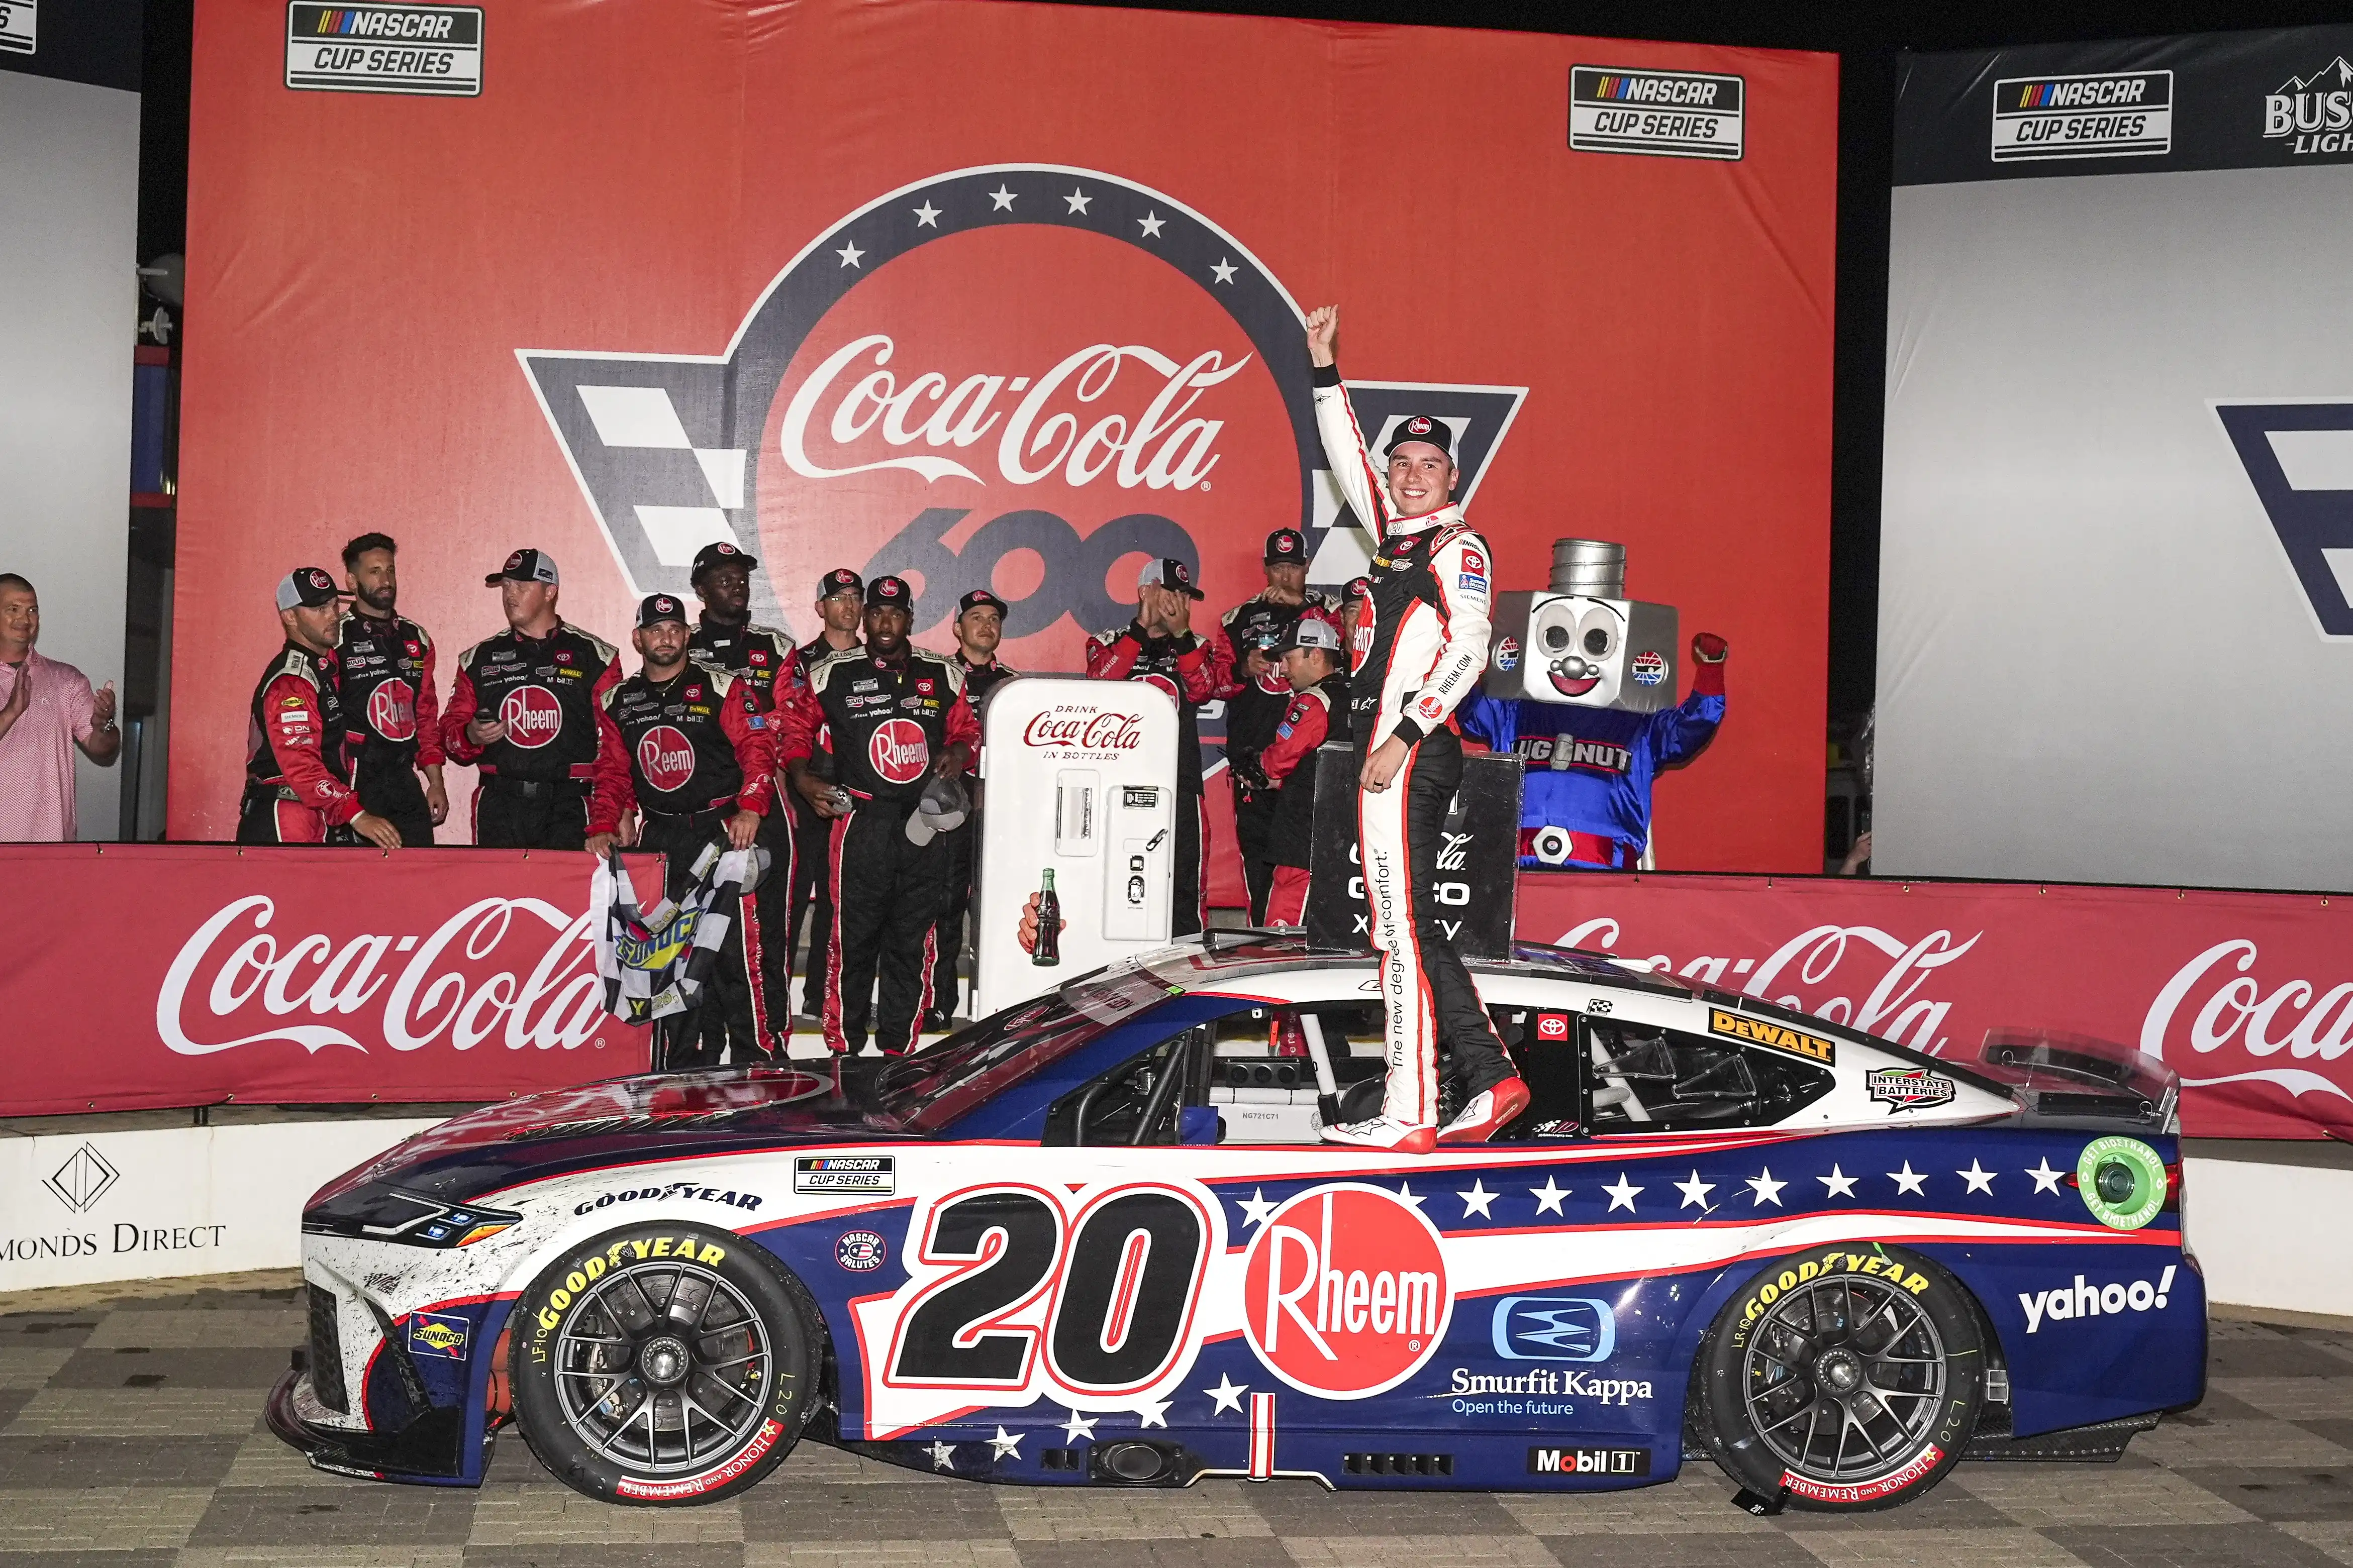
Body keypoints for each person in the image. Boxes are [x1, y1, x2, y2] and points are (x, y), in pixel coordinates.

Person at [1307, 303, 1526, 1152]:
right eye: (1400, 463)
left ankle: (1410, 1112)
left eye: (1428, 465)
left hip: (1406, 751)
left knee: (1396, 934)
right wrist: (1325, 369)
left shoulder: (1456, 547)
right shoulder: (1396, 537)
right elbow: (1341, 450)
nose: (1409, 475)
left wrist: (1403, 733)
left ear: (1451, 477)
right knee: (1411, 928)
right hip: (1385, 750)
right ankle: (1492, 1075)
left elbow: (1471, 652)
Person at [778, 575, 979, 1055]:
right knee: (853, 938)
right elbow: (794, 727)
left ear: (910, 618)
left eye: (896, 613)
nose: (886, 622)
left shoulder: (944, 673)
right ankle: (844, 1050)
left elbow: (969, 730)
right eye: (877, 613)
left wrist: (959, 751)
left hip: (923, 821)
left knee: (911, 937)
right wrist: (804, 780)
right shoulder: (832, 672)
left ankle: (898, 1049)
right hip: (859, 822)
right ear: (864, 618)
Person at [587, 593, 779, 1068]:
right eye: (655, 630)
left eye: (674, 628)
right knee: (670, 954)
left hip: (722, 834)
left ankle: (760, 1059)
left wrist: (751, 809)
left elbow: (759, 749)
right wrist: (602, 824)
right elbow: (612, 772)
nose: (666, 637)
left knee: (734, 955)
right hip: (661, 841)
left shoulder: (723, 686)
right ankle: (682, 1063)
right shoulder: (618, 700)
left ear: (687, 635)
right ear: (637, 639)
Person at [1458, 633, 1728, 869]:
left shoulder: (1639, 722)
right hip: (1513, 864)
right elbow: (1466, 701)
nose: (1576, 663)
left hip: (1605, 870)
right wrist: (1479, 651)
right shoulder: (1515, 709)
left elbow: (1690, 728)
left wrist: (1710, 671)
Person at [687, 539, 805, 1050]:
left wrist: (751, 726)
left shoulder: (774, 646)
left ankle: (768, 1042)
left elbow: (797, 719)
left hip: (765, 801)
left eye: (741, 577)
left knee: (767, 930)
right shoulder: (677, 644)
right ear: (700, 589)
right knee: (701, 928)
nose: (736, 586)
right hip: (701, 803)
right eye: (723, 578)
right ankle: (707, 1044)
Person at [1084, 558, 1233, 936]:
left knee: (1184, 884)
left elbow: (1203, 689)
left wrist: (1181, 635)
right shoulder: (1106, 641)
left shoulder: (1196, 645)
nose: (1181, 602)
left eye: (1186, 595)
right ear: (1146, 592)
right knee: (1116, 883)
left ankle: (1191, 968)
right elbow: (1100, 681)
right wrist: (1140, 630)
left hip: (1179, 782)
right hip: (1118, 786)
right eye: (1172, 593)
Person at [441, 550, 621, 849]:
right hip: (500, 803)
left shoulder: (596, 657)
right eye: (507, 586)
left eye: (522, 587)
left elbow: (615, 749)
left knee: (565, 897)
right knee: (499, 895)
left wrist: (613, 814)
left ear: (550, 592)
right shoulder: (478, 659)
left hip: (571, 804)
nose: (510, 595)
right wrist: (470, 735)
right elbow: (448, 732)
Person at [1220, 529, 1338, 923]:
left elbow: (1354, 652)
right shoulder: (1238, 619)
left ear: (1306, 568)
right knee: (1259, 861)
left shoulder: (1331, 609)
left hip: (1310, 773)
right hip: (1257, 765)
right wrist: (1242, 668)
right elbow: (1211, 684)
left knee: (1310, 864)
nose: (1284, 576)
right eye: (1277, 568)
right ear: (1266, 570)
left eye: (1292, 567)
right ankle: (1261, 938)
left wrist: (1301, 605)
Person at [236, 568, 402, 849]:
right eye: (319, 608)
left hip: (312, 812)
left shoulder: (320, 670)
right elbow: (301, 764)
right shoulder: (293, 678)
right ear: (290, 617)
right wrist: (356, 814)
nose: (333, 616)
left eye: (335, 605)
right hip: (286, 813)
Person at [927, 587, 1017, 1026]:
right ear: (958, 628)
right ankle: (941, 1002)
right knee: (945, 906)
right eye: (977, 617)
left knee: (1000, 909)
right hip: (951, 813)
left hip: (1003, 816)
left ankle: (998, 1005)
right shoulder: (938, 677)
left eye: (995, 619)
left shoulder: (1019, 687)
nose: (987, 625)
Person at [1228, 613, 1349, 927]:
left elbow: (1278, 761)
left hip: (1305, 826)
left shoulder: (1313, 700)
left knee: (1286, 908)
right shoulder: (1355, 693)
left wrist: (1256, 768)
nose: (1283, 669)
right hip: (1345, 823)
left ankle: (1276, 969)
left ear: (1317, 655)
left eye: (1290, 658)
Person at [333, 533, 446, 846]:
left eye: (390, 570)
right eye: (374, 572)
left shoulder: (416, 638)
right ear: (352, 581)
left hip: (403, 777)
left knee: (419, 878)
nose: (386, 580)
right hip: (355, 779)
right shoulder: (334, 637)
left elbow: (425, 715)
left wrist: (435, 782)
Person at [790, 566, 867, 1015]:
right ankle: (777, 997)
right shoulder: (797, 663)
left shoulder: (876, 659)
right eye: (839, 598)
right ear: (820, 608)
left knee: (842, 901)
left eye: (855, 597)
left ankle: (821, 998)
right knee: (796, 896)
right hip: (807, 789)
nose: (849, 606)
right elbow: (787, 727)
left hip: (860, 791)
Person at [0, 574, 118, 841]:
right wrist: (11, 712)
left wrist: (105, 725)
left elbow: (104, 749)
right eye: (13, 609)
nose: (25, 619)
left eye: (32, 610)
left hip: (52, 846)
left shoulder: (66, 679)